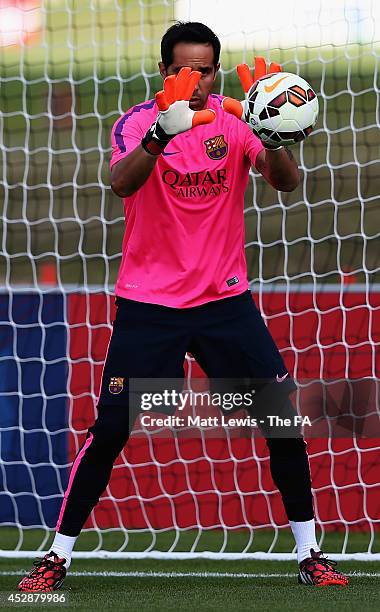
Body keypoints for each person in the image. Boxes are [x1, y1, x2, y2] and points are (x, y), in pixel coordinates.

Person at [18, 21, 348, 591]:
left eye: (204, 70)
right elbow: (122, 184)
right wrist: (160, 136)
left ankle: (310, 553)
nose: (194, 81)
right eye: (183, 70)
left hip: (225, 301)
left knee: (282, 421)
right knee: (111, 431)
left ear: (217, 71)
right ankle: (57, 557)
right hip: (150, 305)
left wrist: (273, 139)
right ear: (165, 71)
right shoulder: (137, 122)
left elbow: (285, 183)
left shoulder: (236, 118)